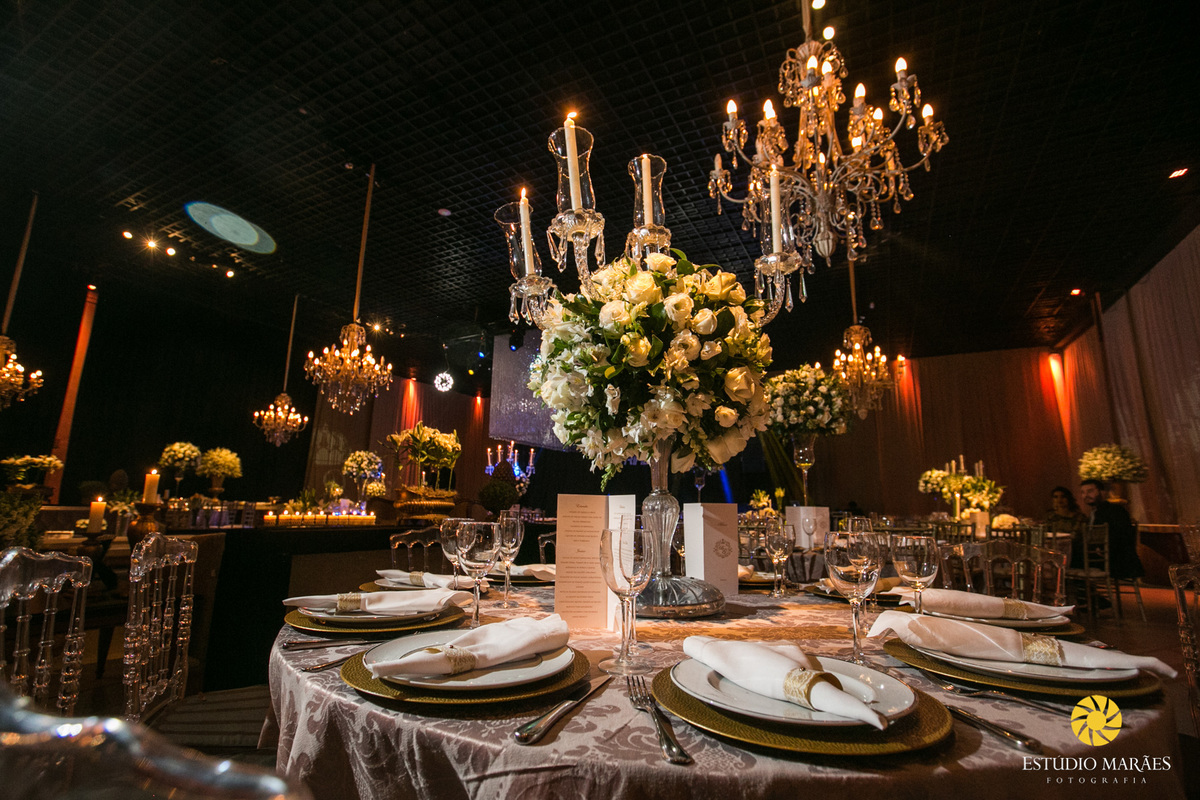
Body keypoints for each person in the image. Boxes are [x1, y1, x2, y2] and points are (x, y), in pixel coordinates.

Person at [1080, 479, 1144, 580]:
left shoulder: (1114, 511)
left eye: (1090, 491)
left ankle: (1081, 589)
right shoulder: (1094, 513)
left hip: (1115, 560)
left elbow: (1120, 536)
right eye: (1083, 492)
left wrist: (1099, 547)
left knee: (1068, 557)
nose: (1086, 495)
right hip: (1101, 556)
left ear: (1102, 492)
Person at [1045, 486, 1088, 568]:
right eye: (1056, 497)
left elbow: (1079, 535)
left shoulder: (1079, 517)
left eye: (1063, 497)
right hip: (1054, 549)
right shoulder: (1050, 516)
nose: (1059, 500)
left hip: (1075, 550)